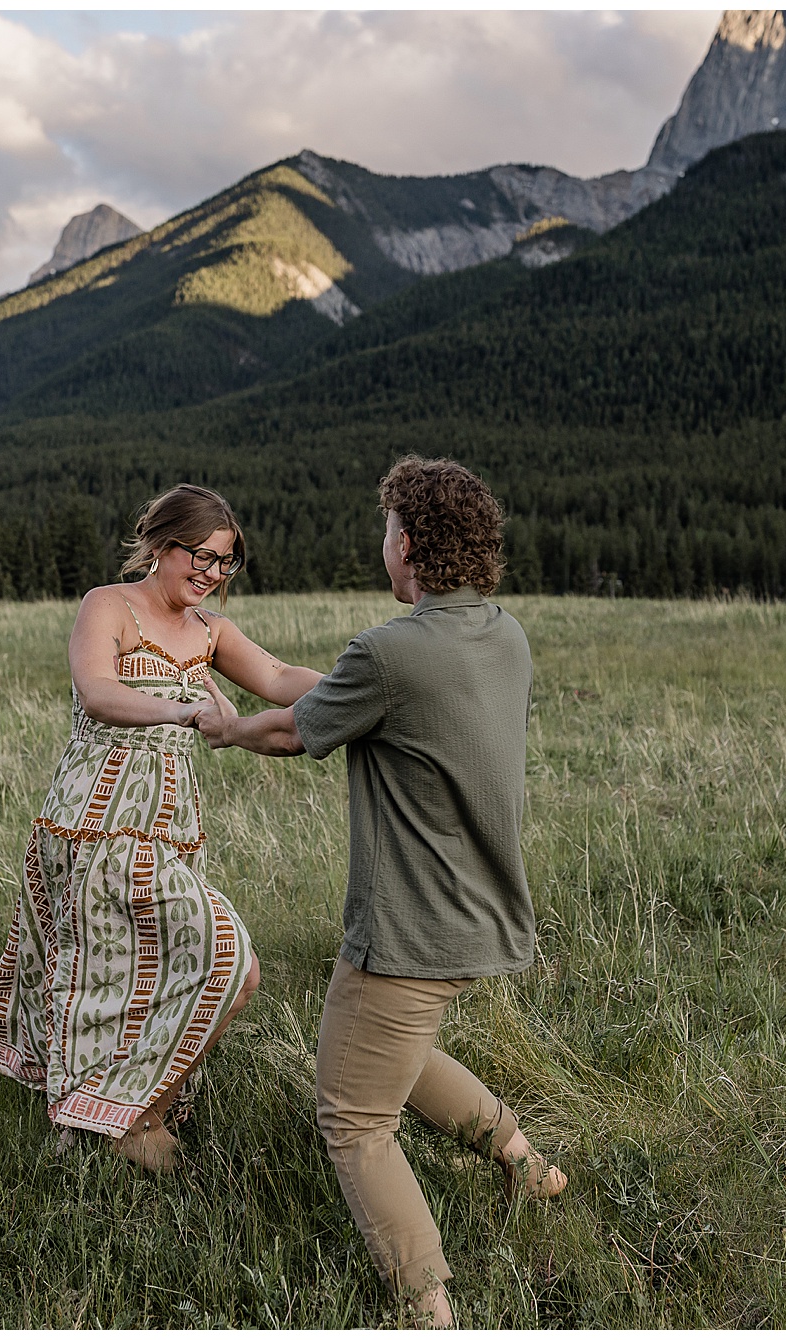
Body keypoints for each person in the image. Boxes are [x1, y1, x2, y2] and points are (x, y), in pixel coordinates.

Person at [197, 457, 565, 1327]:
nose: (383, 543)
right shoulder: (504, 636)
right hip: (481, 919)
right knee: (398, 1056)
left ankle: (424, 1301)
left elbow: (295, 731)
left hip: (408, 931)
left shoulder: (390, 654)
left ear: (409, 544)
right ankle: (525, 1162)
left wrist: (226, 727)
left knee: (354, 1118)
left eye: (387, 529)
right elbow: (346, 699)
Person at [0, 484, 323, 1174]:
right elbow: (97, 691)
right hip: (97, 824)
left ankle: (128, 1116)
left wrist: (358, 689)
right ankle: (118, 1123)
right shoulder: (109, 606)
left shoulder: (210, 629)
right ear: (160, 544)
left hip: (167, 831)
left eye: (225, 562)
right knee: (125, 976)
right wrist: (182, 711)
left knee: (191, 970)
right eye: (201, 557)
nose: (212, 574)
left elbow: (277, 676)